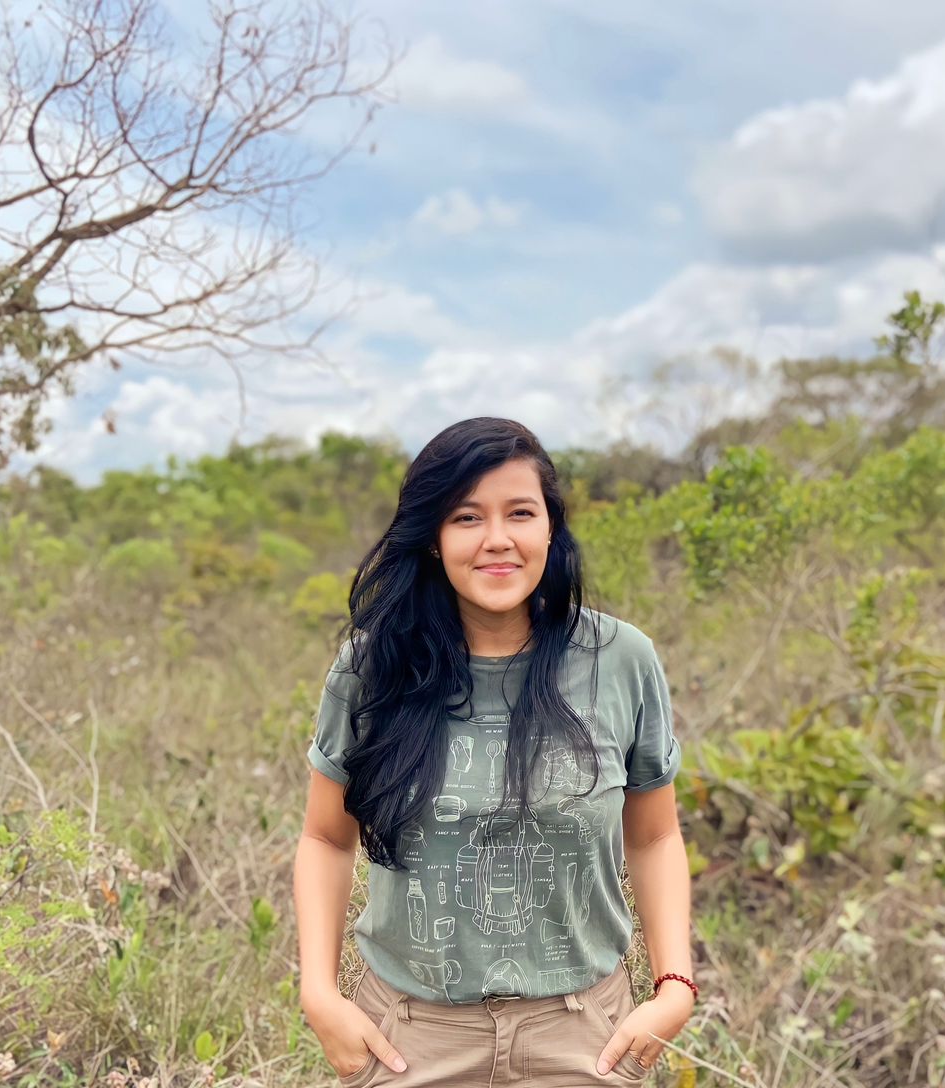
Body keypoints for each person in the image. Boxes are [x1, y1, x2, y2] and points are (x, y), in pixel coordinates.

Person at [293, 417, 697, 1087]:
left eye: (520, 513)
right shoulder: (373, 668)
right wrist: (319, 993)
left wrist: (674, 985)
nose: (498, 539)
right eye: (467, 517)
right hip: (408, 1039)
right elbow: (326, 839)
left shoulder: (622, 659)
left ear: (551, 528)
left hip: (584, 1038)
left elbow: (655, 837)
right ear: (433, 538)